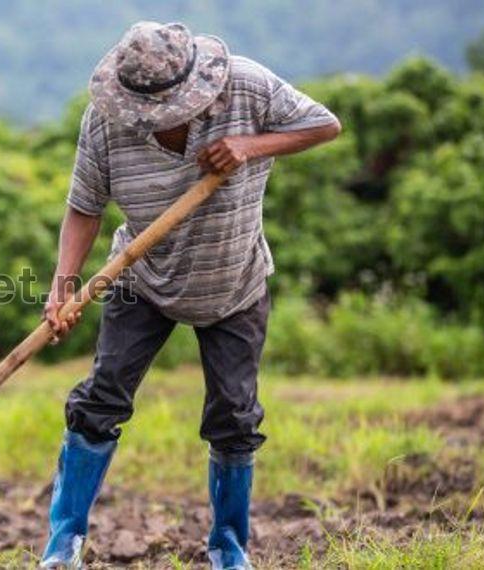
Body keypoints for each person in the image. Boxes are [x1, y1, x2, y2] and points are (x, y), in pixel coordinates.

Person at [40, 21, 341, 570]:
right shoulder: (106, 122)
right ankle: (63, 545)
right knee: (99, 402)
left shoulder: (247, 87)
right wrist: (63, 287)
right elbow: (84, 206)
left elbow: (325, 125)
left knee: (234, 417)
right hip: (142, 279)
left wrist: (251, 145)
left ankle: (229, 549)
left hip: (234, 282)